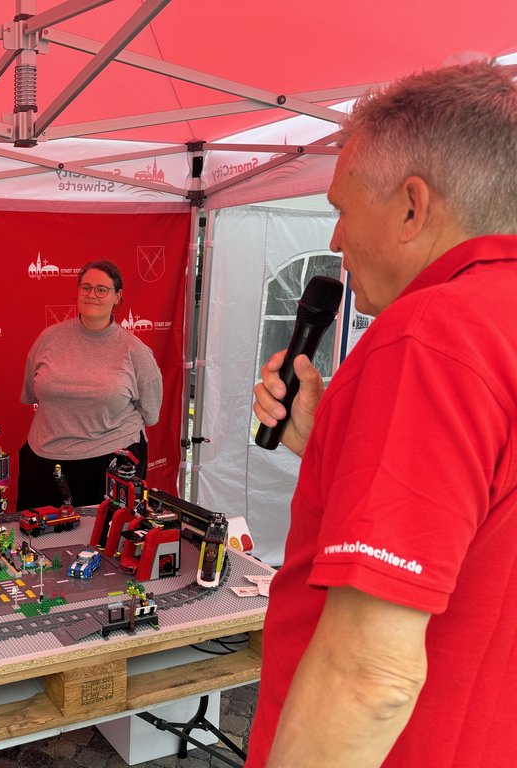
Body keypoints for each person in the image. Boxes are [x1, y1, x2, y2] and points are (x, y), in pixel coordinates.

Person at [248, 61, 517, 768]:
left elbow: (369, 676)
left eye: (340, 209)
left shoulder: (431, 334)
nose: (336, 240)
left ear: (411, 207)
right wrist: (334, 447)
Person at [17, 260, 162, 510]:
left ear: (117, 296)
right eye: (86, 287)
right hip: (45, 463)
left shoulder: (134, 350)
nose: (92, 295)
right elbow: (32, 393)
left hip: (110, 466)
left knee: (105, 535)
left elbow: (151, 413)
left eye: (102, 289)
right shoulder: (49, 339)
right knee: (41, 534)